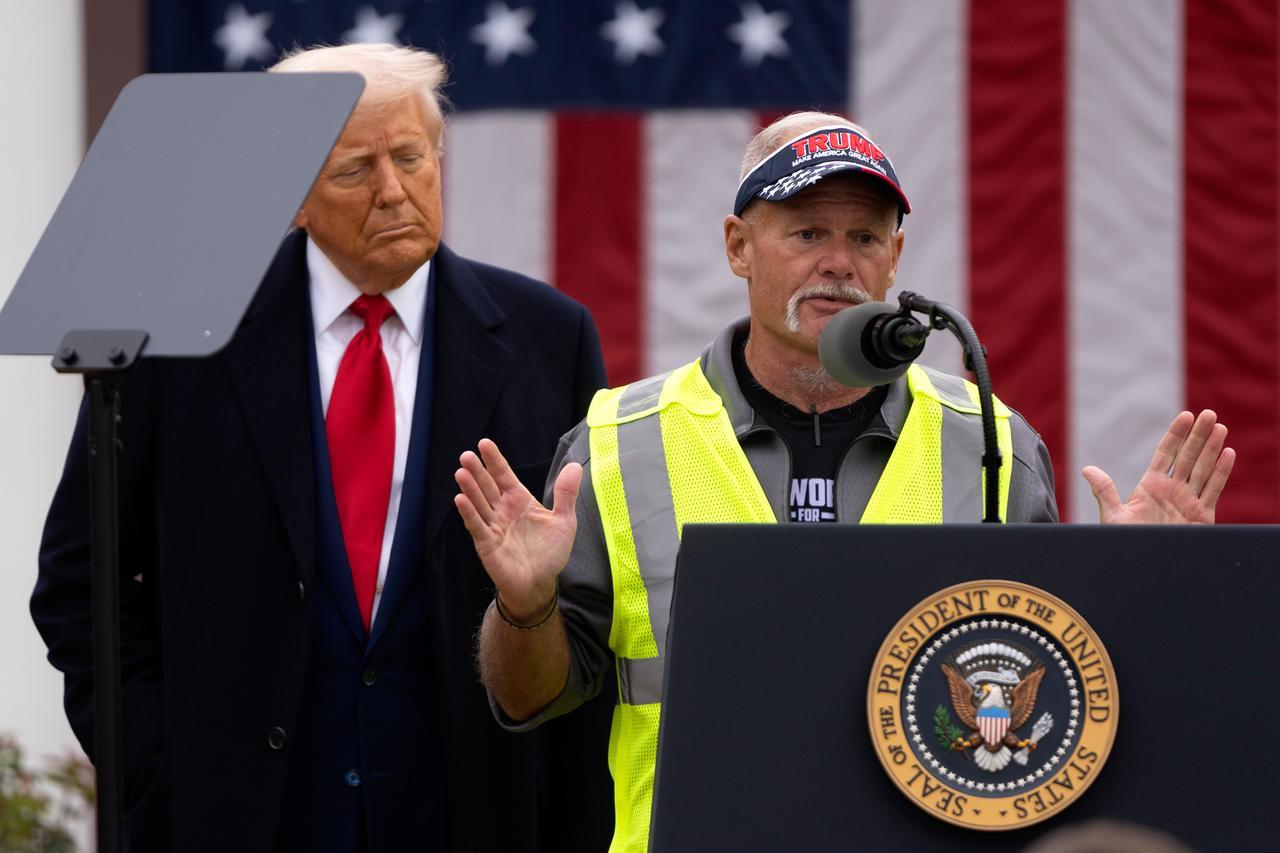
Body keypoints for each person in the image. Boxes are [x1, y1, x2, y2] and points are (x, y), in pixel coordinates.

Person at [452, 112, 1236, 853]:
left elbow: (1045, 706)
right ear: (737, 246)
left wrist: (1140, 588)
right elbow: (529, 699)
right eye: (808, 232)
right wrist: (525, 608)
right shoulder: (620, 442)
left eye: (865, 235)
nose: (839, 260)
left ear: (896, 257)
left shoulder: (991, 442)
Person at [31, 44, 614, 852]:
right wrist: (157, 766)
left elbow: (595, 611)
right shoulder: (179, 339)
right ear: (292, 197)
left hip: (473, 816)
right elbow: (78, 584)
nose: (392, 191)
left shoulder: (551, 339)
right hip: (237, 820)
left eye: (411, 157)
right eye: (353, 170)